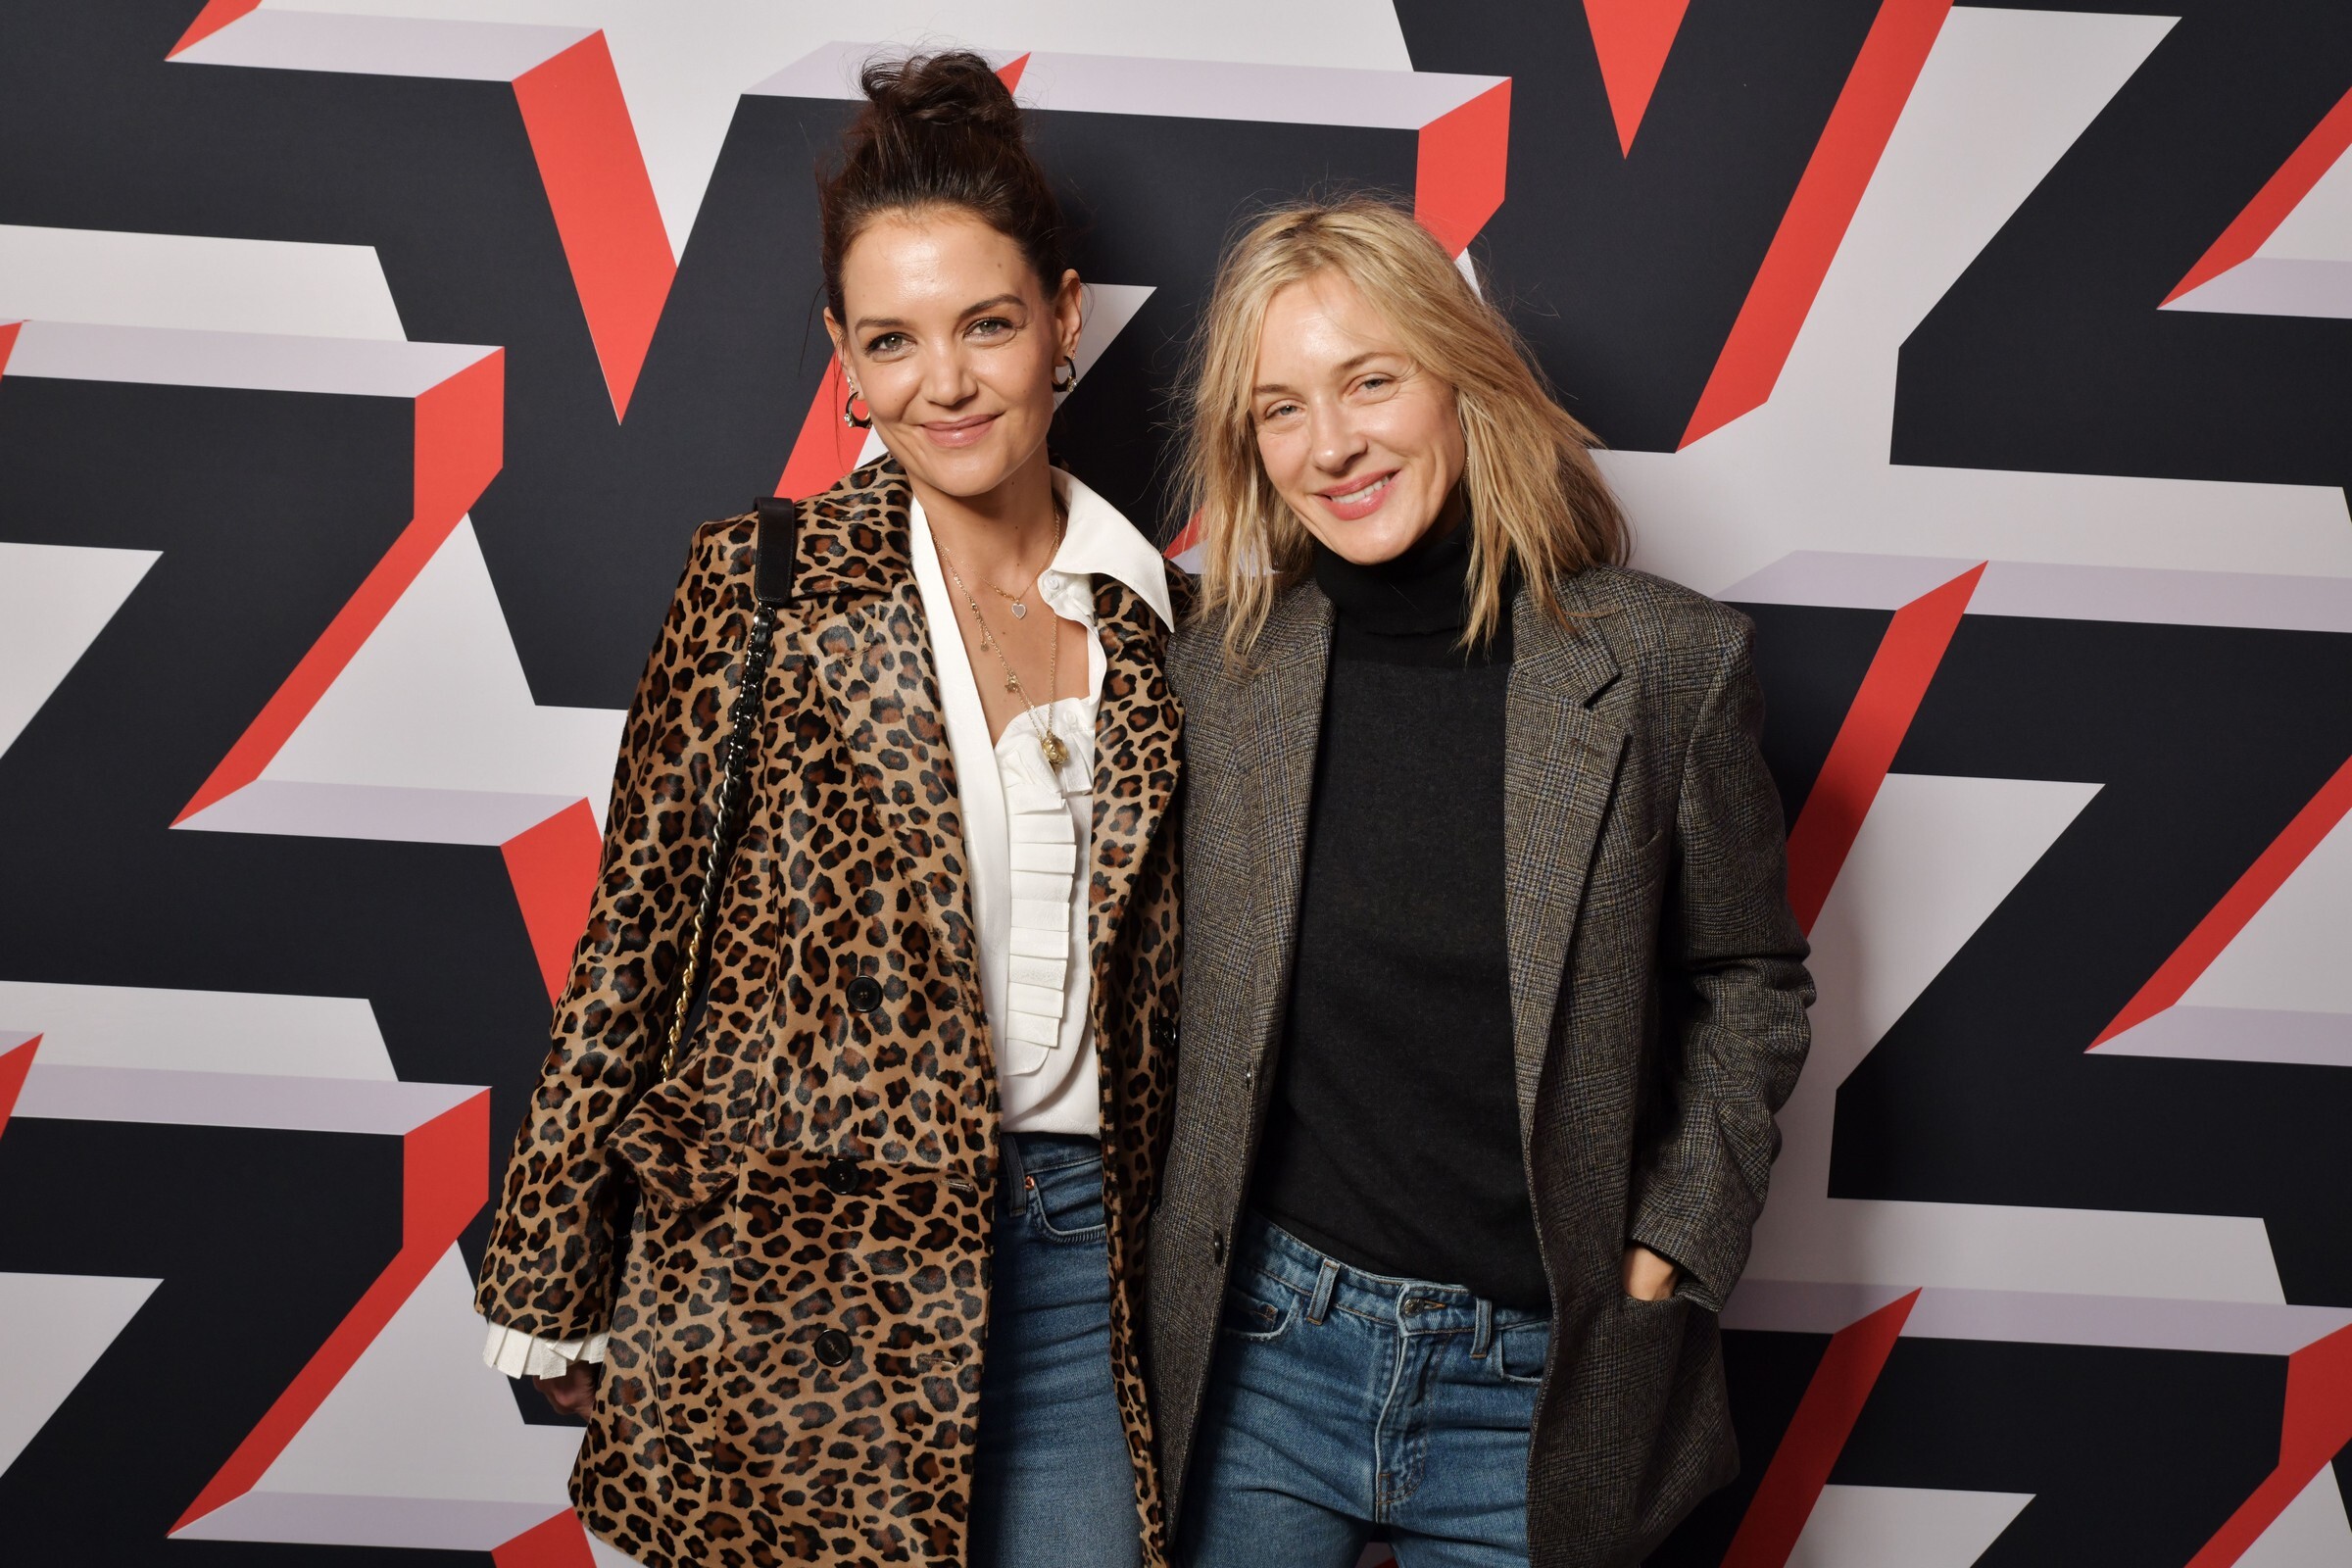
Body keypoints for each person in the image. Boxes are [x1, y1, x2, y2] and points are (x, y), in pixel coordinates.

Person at [473, 51, 1187, 1568]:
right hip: (794, 1281)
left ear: (1064, 318)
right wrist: (552, 1270)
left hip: (1082, 1270)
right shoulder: (765, 584)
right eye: (893, 341)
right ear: (843, 358)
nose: (947, 383)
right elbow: (637, 930)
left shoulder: (1161, 625)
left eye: (988, 324)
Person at [1146, 195, 1814, 1568]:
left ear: (1460, 377)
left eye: (1370, 382)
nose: (1331, 446)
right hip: (1266, 1355)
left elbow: (1749, 979)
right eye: (1281, 410)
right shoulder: (1215, 676)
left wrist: (1670, 1248)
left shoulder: (1664, 667)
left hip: (1536, 1383)